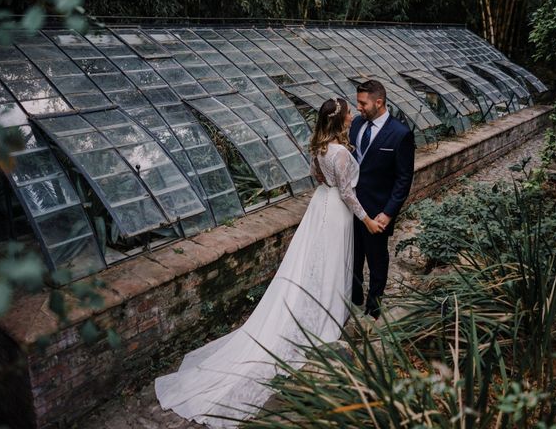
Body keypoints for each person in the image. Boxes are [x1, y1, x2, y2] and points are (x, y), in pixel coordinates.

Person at [155, 97, 384, 427]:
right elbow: (348, 194)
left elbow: (316, 177)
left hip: (320, 205)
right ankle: (324, 319)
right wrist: (368, 221)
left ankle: (314, 307)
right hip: (336, 211)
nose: (352, 116)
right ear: (341, 120)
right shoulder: (343, 153)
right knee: (332, 264)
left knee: (312, 264)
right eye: (349, 113)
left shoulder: (319, 148)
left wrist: (332, 188)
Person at [349, 80, 415, 319]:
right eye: (357, 102)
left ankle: (373, 306)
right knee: (352, 256)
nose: (358, 107)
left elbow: (403, 179)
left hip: (377, 212)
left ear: (379, 102)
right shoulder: (356, 125)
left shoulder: (400, 134)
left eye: (362, 103)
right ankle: (354, 298)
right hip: (351, 207)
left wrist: (388, 213)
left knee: (377, 260)